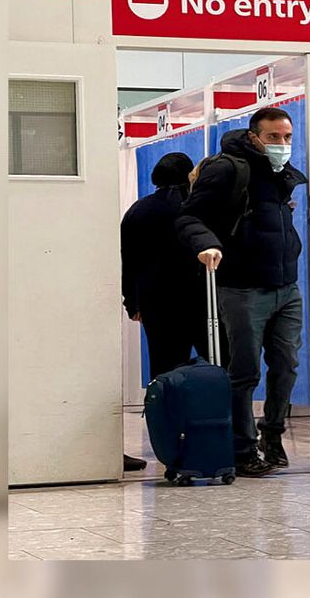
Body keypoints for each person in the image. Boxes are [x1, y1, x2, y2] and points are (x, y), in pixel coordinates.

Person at [177, 108, 307, 478]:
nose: (281, 144)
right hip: (243, 288)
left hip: (286, 286)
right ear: (254, 137)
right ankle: (242, 448)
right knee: (245, 371)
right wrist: (206, 244)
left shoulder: (280, 173)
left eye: (287, 137)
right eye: (273, 137)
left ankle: (273, 434)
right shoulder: (228, 169)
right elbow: (189, 217)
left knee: (286, 365)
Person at [120, 152, 206, 473]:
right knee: (212, 366)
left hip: (155, 301)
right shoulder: (194, 207)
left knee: (165, 371)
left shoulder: (137, 211)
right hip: (198, 299)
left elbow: (128, 262)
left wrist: (132, 302)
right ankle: (207, 433)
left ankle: (167, 440)